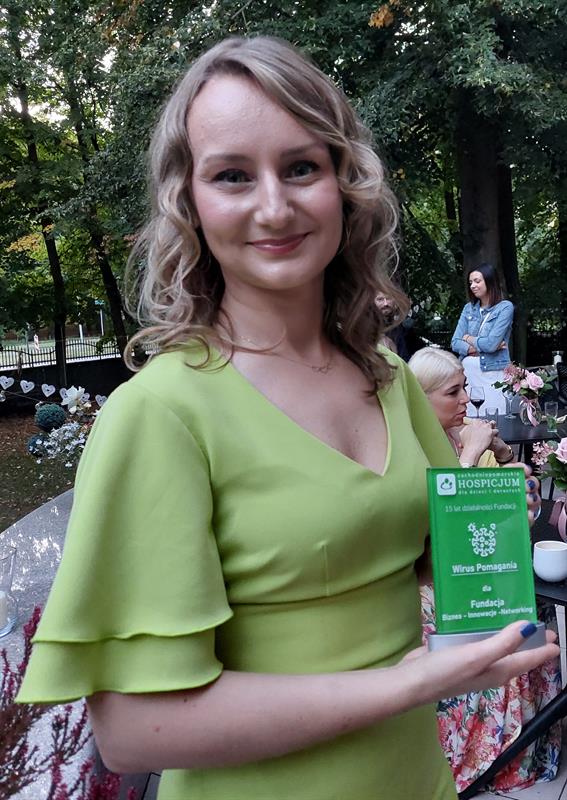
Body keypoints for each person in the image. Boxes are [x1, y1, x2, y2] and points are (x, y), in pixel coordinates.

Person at [17, 37, 557, 800]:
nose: (274, 207)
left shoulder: (386, 376)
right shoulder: (160, 413)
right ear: (189, 202)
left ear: (343, 183)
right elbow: (134, 729)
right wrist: (407, 683)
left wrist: (515, 527)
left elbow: (450, 560)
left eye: (301, 167)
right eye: (232, 175)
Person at [409, 347, 561, 794]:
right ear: (418, 398)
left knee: (531, 608)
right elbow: (442, 533)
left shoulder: (460, 439)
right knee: (494, 617)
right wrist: (472, 456)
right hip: (429, 581)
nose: (466, 399)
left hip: (476, 570)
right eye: (453, 392)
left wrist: (509, 464)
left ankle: (525, 743)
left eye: (465, 388)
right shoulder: (410, 450)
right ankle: (484, 753)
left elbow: (503, 516)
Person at [451, 262, 513, 416]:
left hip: (493, 373)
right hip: (469, 375)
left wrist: (468, 338)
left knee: (496, 418)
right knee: (471, 419)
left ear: (490, 281)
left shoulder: (505, 307)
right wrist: (479, 347)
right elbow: (455, 342)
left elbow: (491, 344)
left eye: (477, 281)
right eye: (470, 282)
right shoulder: (468, 308)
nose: (473, 286)